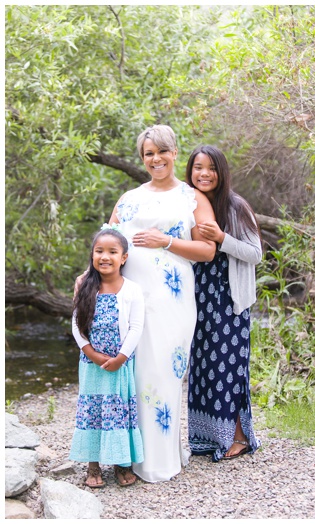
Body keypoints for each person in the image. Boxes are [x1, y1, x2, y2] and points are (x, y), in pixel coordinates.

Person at [108, 125, 217, 482]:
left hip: (172, 298)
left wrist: (165, 242)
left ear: (174, 153)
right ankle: (129, 455)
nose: (155, 159)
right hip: (131, 297)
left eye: (161, 152)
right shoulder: (129, 198)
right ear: (143, 159)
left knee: (163, 373)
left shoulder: (192, 199)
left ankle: (160, 458)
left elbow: (207, 250)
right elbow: (107, 243)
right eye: (148, 154)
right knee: (134, 374)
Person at [184, 145, 263, 461]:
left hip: (229, 298)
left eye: (211, 168)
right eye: (198, 167)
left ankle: (240, 438)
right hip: (199, 295)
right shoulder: (187, 203)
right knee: (202, 367)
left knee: (228, 367)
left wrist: (221, 238)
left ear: (222, 172)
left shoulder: (235, 206)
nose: (204, 174)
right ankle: (207, 437)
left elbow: (255, 253)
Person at [69, 227, 144, 488]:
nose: (105, 256)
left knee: (118, 413)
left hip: (120, 364)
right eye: (99, 251)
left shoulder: (132, 290)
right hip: (92, 364)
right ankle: (93, 464)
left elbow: (136, 327)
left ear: (123, 258)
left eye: (112, 252)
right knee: (93, 412)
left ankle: (121, 463)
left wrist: (122, 357)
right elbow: (76, 324)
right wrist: (91, 353)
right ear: (92, 256)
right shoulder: (86, 286)